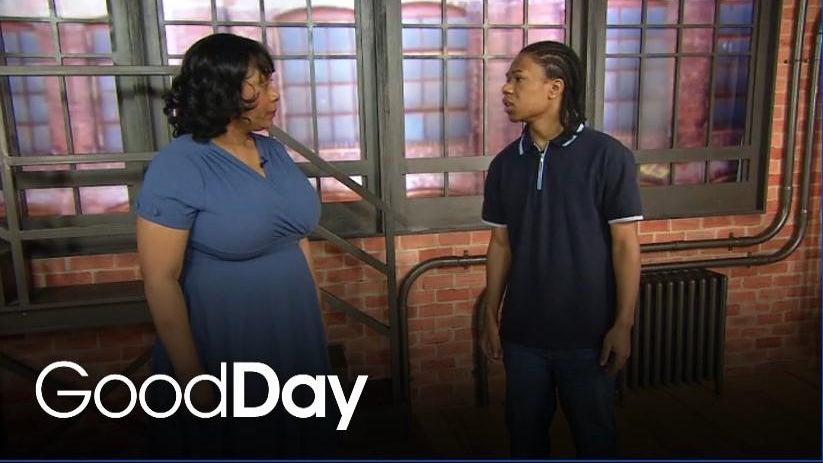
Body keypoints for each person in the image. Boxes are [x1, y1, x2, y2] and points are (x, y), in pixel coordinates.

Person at [135, 33, 333, 458]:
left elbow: (295, 235)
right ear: (219, 90)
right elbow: (160, 280)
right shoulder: (179, 164)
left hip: (293, 326)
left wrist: (313, 310)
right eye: (258, 85)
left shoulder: (274, 151)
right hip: (227, 332)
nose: (274, 94)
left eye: (270, 81)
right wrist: (193, 377)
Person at [480, 40, 643, 458]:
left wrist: (623, 323)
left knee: (595, 440)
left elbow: (626, 246)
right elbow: (500, 245)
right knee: (524, 439)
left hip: (589, 337)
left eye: (518, 79)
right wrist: (490, 314)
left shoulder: (607, 157)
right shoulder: (504, 164)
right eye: (507, 79)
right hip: (522, 336)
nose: (506, 89)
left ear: (555, 88)